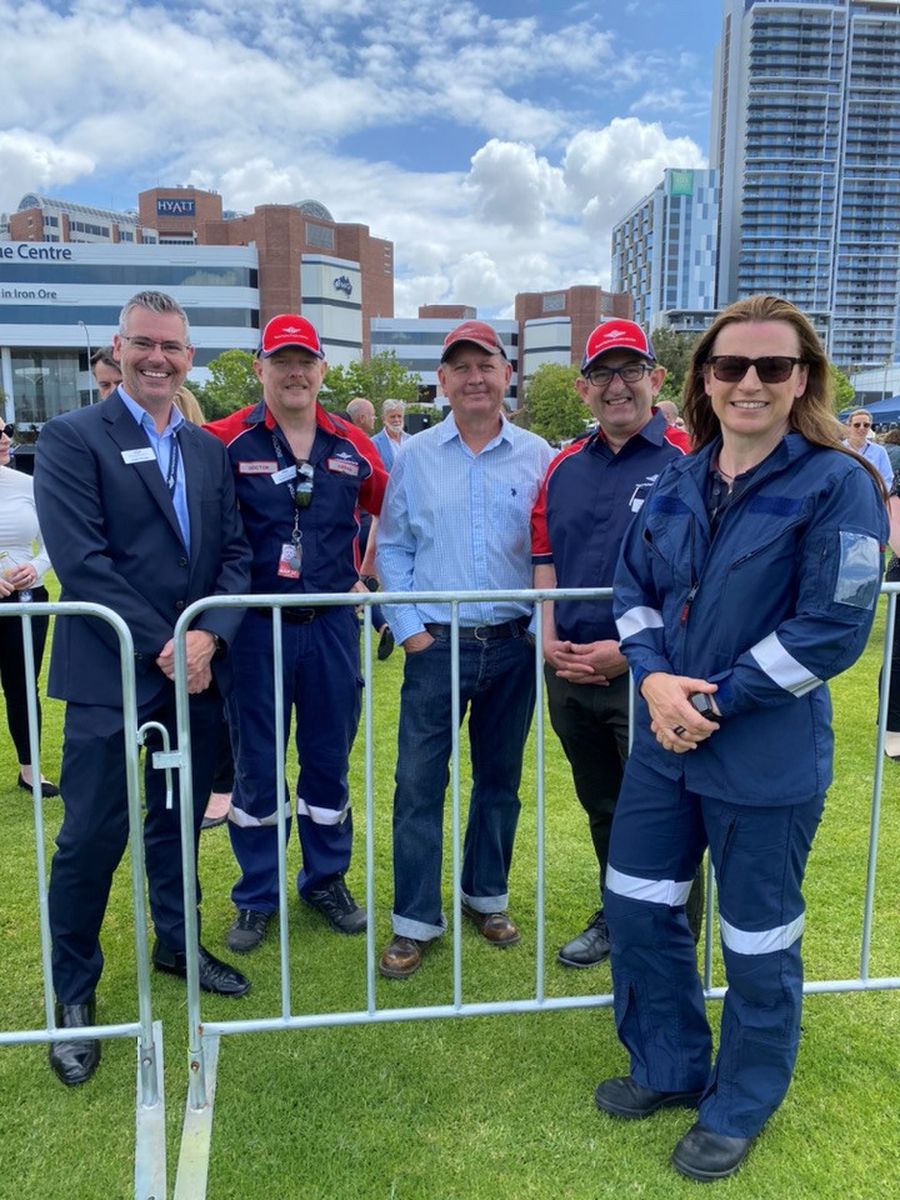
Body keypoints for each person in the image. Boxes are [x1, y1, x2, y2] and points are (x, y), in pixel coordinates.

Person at [594, 294, 888, 1182]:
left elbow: (832, 629)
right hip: (664, 747)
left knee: (757, 938)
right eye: (731, 367)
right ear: (704, 382)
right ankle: (672, 1065)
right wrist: (649, 676)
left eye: (772, 367)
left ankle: (741, 1100)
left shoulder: (841, 484)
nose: (750, 383)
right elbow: (632, 592)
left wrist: (709, 703)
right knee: (639, 906)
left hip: (760, 755)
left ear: (803, 379)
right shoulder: (677, 480)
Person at [34, 291, 254, 1088]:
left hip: (193, 673)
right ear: (118, 350)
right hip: (108, 673)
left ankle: (176, 943)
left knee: (177, 824)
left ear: (188, 358)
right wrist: (168, 642)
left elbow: (235, 556)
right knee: (91, 835)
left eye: (173, 347)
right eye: (144, 344)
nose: (158, 358)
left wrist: (209, 636)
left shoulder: (206, 450)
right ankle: (73, 997)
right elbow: (83, 561)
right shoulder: (69, 439)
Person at [376, 319, 554, 979]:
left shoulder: (538, 454)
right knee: (418, 784)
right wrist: (410, 626)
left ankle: (488, 895)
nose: (475, 377)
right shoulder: (415, 456)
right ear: (443, 381)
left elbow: (551, 546)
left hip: (513, 644)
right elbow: (391, 545)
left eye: (487, 365)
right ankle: (415, 919)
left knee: (500, 783)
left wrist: (540, 628)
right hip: (437, 646)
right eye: (461, 367)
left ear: (508, 374)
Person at [205, 315, 388, 953]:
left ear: (322, 370)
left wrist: (369, 576)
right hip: (256, 631)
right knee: (256, 767)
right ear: (260, 368)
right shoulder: (223, 439)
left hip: (332, 628)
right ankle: (257, 894)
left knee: (328, 761)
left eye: (305, 360)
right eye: (281, 360)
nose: (294, 372)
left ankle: (325, 879)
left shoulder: (351, 443)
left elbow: (392, 512)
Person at [531, 318, 701, 970]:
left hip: (649, 677)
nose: (617, 385)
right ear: (583, 388)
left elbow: (701, 581)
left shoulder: (691, 460)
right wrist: (547, 640)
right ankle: (617, 912)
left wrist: (629, 652)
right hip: (570, 672)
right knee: (603, 805)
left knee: (666, 812)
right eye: (602, 372)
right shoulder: (564, 466)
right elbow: (544, 555)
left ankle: (672, 941)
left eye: (630, 369)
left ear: (657, 380)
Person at [0, 422, 58, 797]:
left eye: (5, 430)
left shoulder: (27, 484)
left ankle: (30, 769)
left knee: (22, 685)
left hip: (25, 601)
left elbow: (56, 540)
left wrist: (35, 568)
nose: (5, 438)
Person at [345, 397, 393, 661]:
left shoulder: (362, 444)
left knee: (358, 584)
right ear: (362, 418)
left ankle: (381, 624)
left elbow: (387, 501)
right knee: (361, 584)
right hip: (363, 526)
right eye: (372, 416)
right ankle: (382, 624)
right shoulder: (364, 443)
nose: (373, 420)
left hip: (364, 527)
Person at [843, 408, 893, 488]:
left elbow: (887, 479)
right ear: (848, 427)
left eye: (866, 425)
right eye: (857, 425)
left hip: (871, 498)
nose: (862, 428)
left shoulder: (880, 451)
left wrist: (877, 496)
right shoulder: (839, 450)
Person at [372, 398, 411, 472]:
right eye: (392, 417)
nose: (397, 420)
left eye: (399, 416)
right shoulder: (374, 443)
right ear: (383, 418)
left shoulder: (411, 440)